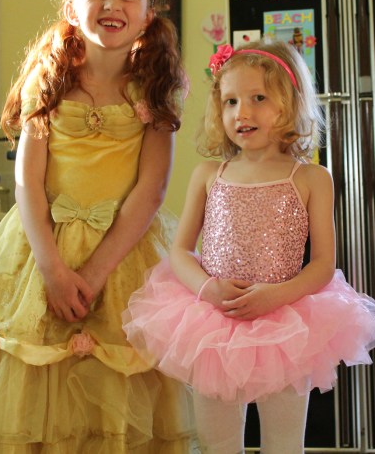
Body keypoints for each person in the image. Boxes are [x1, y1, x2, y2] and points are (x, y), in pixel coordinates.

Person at [0, 0, 196, 452]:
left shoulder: (156, 90)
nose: (112, 5)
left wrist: (93, 274)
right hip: (43, 248)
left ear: (148, 15)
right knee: (36, 375)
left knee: (118, 379)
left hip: (123, 254)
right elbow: (28, 181)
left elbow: (151, 189)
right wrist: (52, 269)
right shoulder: (47, 81)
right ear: (72, 6)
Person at [123, 40, 375, 454]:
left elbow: (323, 264)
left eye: (258, 98)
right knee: (216, 443)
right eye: (231, 101)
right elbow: (181, 252)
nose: (242, 112)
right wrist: (209, 289)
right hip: (212, 325)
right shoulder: (209, 174)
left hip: (286, 325)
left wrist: (276, 295)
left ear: (289, 103)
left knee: (284, 444)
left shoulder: (312, 178)